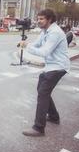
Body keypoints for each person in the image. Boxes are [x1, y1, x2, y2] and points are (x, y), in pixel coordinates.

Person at [19, 9, 70, 137]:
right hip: (51, 66)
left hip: (58, 67)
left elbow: (44, 52)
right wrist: (27, 44)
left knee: (43, 93)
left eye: (41, 19)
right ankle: (53, 116)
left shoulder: (55, 33)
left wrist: (26, 47)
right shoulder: (45, 31)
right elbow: (36, 44)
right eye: (38, 18)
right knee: (42, 90)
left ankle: (38, 128)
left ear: (50, 19)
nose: (38, 21)